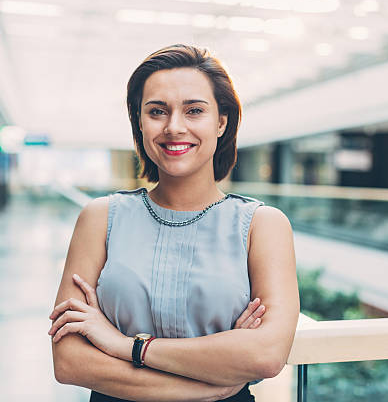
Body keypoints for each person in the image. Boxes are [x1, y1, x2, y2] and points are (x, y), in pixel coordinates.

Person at [48, 44, 299, 402]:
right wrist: (212, 382)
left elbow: (265, 354)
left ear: (222, 121)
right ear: (139, 121)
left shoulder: (262, 225)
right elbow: (70, 362)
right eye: (157, 111)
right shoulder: (100, 218)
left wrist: (125, 346)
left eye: (194, 110)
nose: (174, 127)